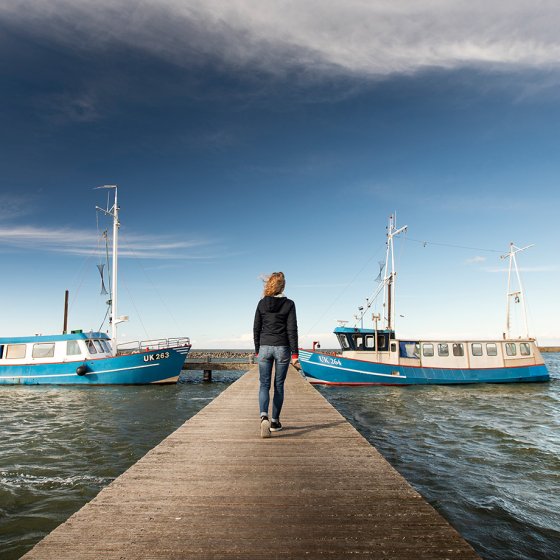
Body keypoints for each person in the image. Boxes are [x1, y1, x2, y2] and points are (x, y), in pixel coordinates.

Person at [253, 272, 298, 438]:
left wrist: (258, 349)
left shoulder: (261, 304)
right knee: (279, 385)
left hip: (264, 347)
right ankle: (274, 422)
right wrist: (295, 354)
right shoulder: (289, 304)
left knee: (264, 384)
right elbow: (292, 329)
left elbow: (256, 328)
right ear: (283, 286)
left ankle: (263, 416)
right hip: (282, 348)